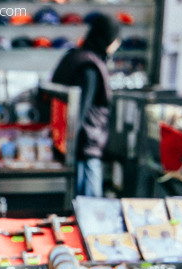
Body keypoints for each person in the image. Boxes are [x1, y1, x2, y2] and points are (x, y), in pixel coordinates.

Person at [51, 13, 121, 197]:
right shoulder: (90, 66)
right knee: (89, 208)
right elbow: (80, 111)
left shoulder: (74, 57)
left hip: (68, 146)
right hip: (84, 150)